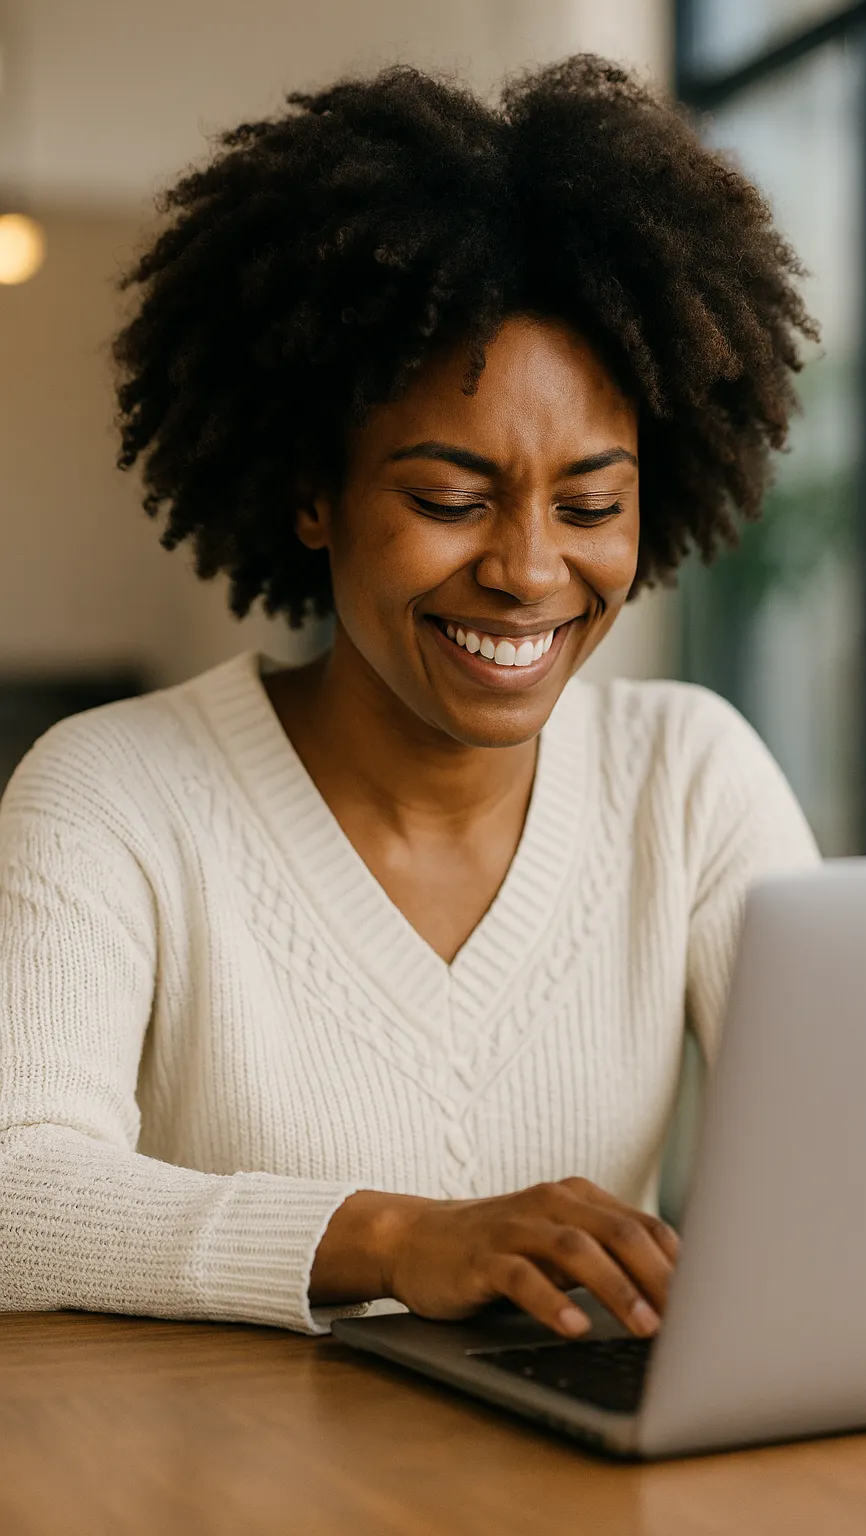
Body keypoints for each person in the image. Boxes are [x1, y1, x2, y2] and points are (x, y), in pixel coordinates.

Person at [0, 56, 819, 1340]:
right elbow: (15, 1193)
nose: (530, 571)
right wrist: (396, 1236)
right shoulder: (112, 793)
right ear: (313, 495)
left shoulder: (690, 776)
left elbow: (862, 1147)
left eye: (592, 504)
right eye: (449, 501)